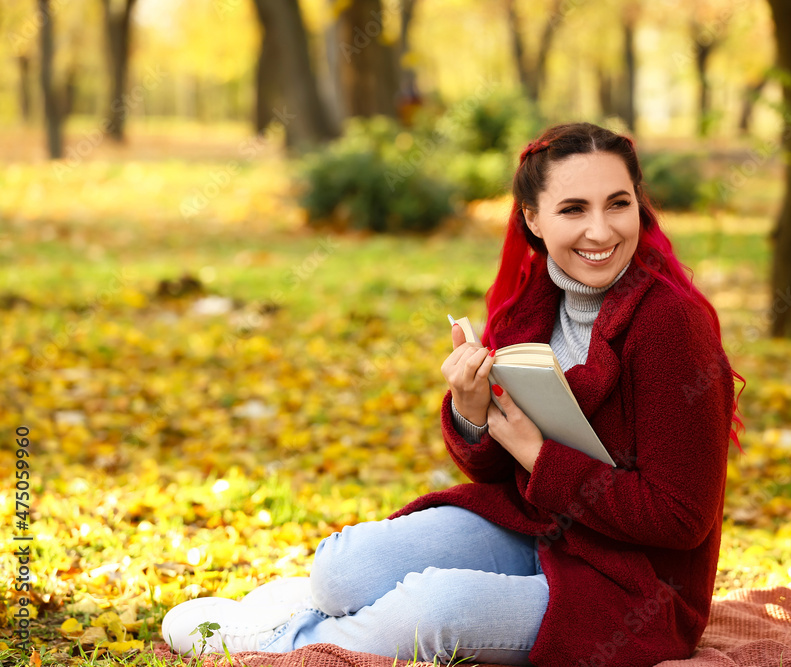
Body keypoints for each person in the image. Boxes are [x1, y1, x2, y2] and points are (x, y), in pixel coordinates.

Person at [161, 121, 744, 666]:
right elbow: (493, 471)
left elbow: (681, 519)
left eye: (618, 204)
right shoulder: (531, 305)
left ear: (638, 203)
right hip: (537, 529)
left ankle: (275, 644)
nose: (601, 230)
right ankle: (319, 606)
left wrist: (539, 457)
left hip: (634, 584)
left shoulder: (672, 325)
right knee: (344, 567)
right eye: (573, 209)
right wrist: (470, 416)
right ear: (533, 220)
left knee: (441, 607)